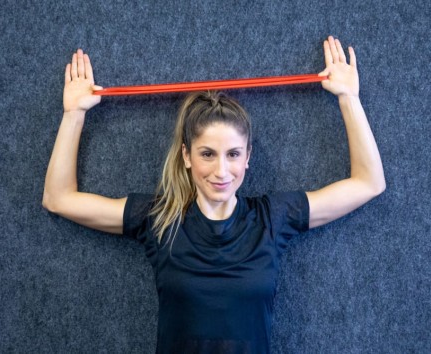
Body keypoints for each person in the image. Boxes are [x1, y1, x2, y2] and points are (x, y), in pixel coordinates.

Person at [43, 36, 385, 353]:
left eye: (233, 154)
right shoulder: (160, 219)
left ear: (248, 157)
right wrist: (74, 114)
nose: (221, 171)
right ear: (187, 156)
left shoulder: (273, 218)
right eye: (207, 154)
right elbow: (58, 198)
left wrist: (348, 98)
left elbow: (369, 183)